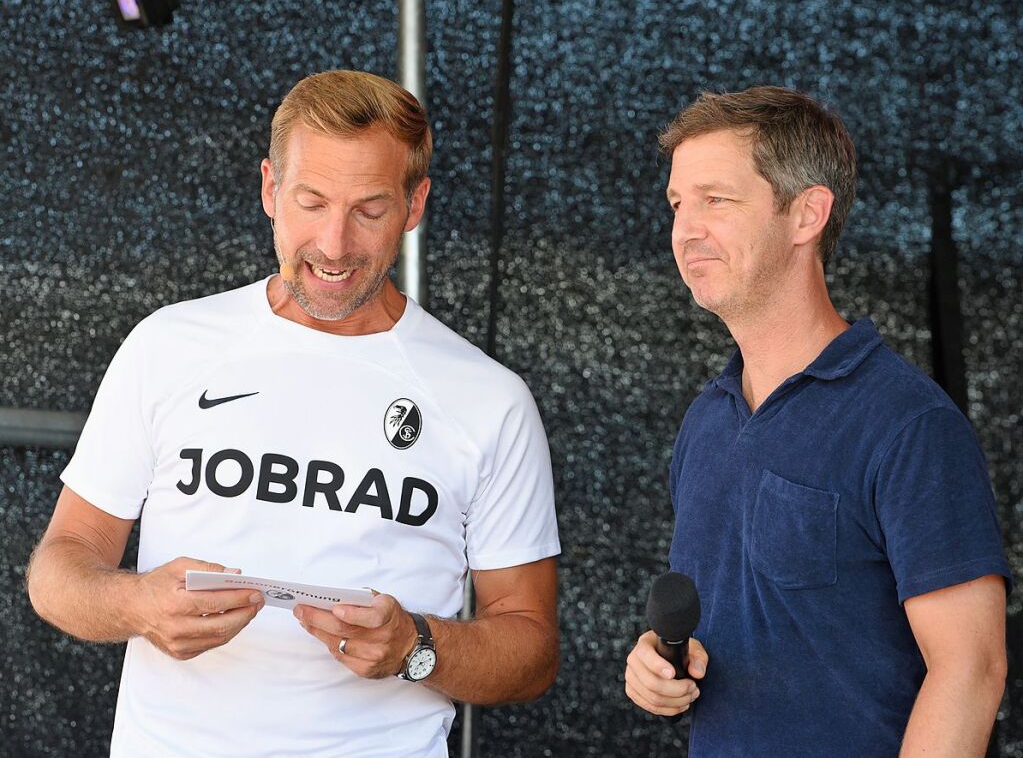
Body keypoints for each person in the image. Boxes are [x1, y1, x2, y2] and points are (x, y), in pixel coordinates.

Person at [27, 70, 560, 758]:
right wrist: (138, 605)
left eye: (369, 209)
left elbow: (531, 649)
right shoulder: (169, 344)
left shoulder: (489, 400)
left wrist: (416, 646)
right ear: (270, 190)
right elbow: (58, 570)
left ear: (415, 203)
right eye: (311, 201)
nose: (334, 244)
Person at [624, 86, 1010, 756]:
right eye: (677, 203)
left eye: (716, 199)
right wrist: (658, 664)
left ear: (806, 213)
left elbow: (971, 669)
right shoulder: (706, 421)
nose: (685, 228)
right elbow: (750, 629)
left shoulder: (908, 424)